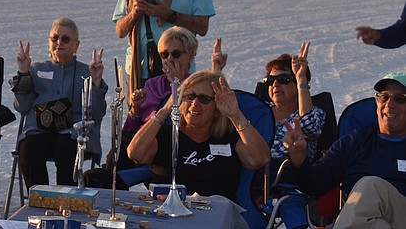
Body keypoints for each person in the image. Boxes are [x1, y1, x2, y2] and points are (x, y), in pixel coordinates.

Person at [84, 28, 227, 189]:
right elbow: (130, 130)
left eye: (176, 54)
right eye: (164, 55)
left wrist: (215, 71)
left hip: (178, 148)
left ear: (190, 55)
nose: (169, 59)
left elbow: (210, 112)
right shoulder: (152, 85)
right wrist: (136, 111)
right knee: (113, 159)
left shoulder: (194, 85)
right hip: (146, 144)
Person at [127, 70, 270, 226]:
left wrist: (236, 115)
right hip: (167, 217)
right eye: (190, 96)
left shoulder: (229, 139)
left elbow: (260, 159)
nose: (195, 103)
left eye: (204, 99)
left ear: (217, 108)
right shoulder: (166, 135)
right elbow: (135, 154)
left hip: (217, 218)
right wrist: (165, 110)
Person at [281, 72, 406, 229]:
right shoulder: (355, 142)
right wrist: (299, 159)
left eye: (400, 99)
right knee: (379, 226)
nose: (389, 104)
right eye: (384, 97)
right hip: (363, 221)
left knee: (370, 185)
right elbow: (315, 186)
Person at [11, 18, 108, 189]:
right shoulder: (36, 69)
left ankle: (67, 201)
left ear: (76, 45)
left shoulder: (87, 72)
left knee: (67, 150)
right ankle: (40, 201)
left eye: (65, 39)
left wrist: (97, 82)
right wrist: (24, 73)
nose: (59, 43)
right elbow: (22, 107)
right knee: (29, 148)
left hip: (72, 131)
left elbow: (97, 114)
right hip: (39, 129)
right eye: (54, 38)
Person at [262, 44, 325, 229]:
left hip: (291, 183)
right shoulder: (259, 111)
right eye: (270, 80)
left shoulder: (314, 114)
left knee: (294, 213)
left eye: (283, 79)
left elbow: (310, 126)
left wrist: (301, 79)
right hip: (254, 179)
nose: (275, 85)